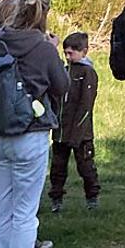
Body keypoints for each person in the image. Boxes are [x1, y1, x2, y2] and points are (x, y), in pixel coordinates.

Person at [0, 0, 67, 248]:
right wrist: (53, 52)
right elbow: (62, 86)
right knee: (25, 210)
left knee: (0, 205)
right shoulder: (42, 48)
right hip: (29, 132)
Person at [49, 32, 99, 213]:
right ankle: (56, 199)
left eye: (72, 53)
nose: (68, 57)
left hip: (81, 133)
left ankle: (92, 197)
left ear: (84, 52)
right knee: (57, 168)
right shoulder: (64, 70)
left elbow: (86, 105)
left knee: (86, 167)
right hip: (61, 130)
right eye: (66, 53)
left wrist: (77, 134)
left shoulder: (87, 73)